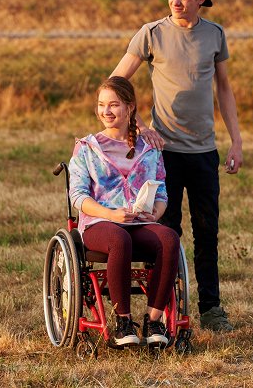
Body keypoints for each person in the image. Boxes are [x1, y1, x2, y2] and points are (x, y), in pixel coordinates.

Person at [111, 0, 243, 332]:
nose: (176, 2)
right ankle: (163, 311)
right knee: (166, 233)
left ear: (202, 0)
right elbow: (116, 82)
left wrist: (236, 140)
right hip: (163, 154)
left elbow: (225, 91)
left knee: (207, 231)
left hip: (203, 153)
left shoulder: (214, 36)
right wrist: (138, 125)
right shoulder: (151, 34)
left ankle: (212, 310)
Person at [68, 76, 181, 348]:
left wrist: (156, 212)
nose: (106, 112)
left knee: (169, 238)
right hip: (99, 223)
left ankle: (154, 320)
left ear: (130, 108)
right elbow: (78, 196)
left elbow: (162, 191)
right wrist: (111, 215)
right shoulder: (87, 148)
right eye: (101, 105)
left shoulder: (149, 149)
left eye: (114, 105)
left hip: (140, 221)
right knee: (120, 239)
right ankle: (123, 322)